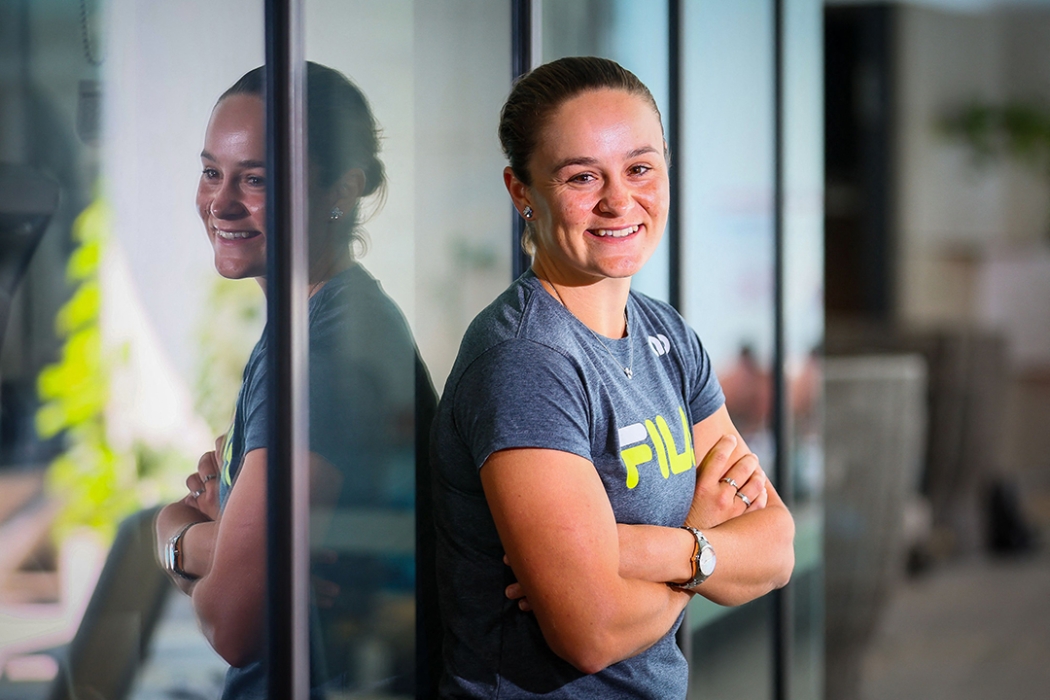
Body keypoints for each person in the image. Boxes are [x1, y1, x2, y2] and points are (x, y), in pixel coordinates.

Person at [430, 56, 795, 699]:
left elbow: (776, 547)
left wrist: (658, 549)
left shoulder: (667, 335)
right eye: (581, 176)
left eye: (639, 167)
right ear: (522, 192)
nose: (619, 200)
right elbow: (590, 631)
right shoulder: (525, 361)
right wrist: (709, 542)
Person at [154, 63, 434, 698]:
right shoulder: (309, 325)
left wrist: (192, 544)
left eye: (256, 178)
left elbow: (233, 621)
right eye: (211, 172)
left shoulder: (327, 356)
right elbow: (198, 534)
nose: (221, 202)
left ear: (342, 190)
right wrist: (205, 539)